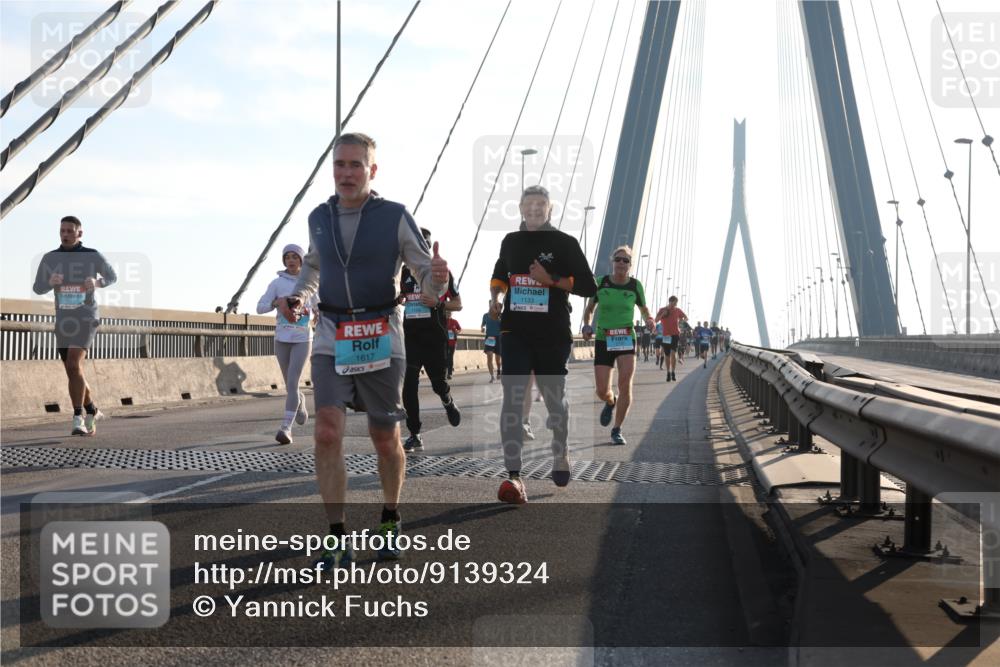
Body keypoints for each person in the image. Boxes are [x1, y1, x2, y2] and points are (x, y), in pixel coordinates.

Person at [280, 132, 450, 568]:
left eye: (356, 165)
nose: (346, 173)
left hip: (380, 330)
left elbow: (426, 284)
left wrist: (438, 279)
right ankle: (337, 536)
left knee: (383, 436)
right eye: (340, 164)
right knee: (326, 431)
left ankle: (390, 518)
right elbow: (315, 266)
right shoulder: (319, 216)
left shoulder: (394, 215)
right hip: (333, 330)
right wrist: (300, 296)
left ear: (372, 171)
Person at [490, 185, 596, 504]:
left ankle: (560, 450)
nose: (534, 209)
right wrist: (495, 298)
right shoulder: (511, 241)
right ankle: (514, 477)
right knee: (512, 398)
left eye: (541, 204)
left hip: (552, 334)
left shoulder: (564, 243)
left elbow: (589, 285)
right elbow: (499, 275)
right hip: (515, 332)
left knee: (554, 399)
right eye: (529, 204)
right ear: (521, 208)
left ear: (550, 209)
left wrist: (551, 281)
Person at [33, 216, 117, 436]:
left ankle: (77, 417)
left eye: (70, 230)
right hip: (64, 319)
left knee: (73, 362)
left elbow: (112, 276)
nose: (65, 234)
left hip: (87, 317)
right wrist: (49, 282)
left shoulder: (91, 255)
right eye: (62, 230)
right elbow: (37, 287)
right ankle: (92, 409)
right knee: (73, 370)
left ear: (80, 233)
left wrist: (97, 283)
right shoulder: (50, 258)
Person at [581, 246, 654, 445]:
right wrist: (587, 325)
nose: (621, 263)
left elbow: (644, 308)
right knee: (601, 390)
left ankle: (617, 429)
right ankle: (610, 400)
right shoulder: (600, 282)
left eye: (626, 261)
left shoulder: (635, 286)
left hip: (626, 338)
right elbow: (589, 309)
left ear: (630, 265)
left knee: (625, 383)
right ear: (612, 261)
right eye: (618, 259)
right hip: (604, 339)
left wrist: (649, 319)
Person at [399, 227, 462, 453]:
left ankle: (447, 401)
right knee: (409, 385)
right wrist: (397, 298)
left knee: (438, 384)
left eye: (422, 244)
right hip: (411, 337)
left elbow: (459, 303)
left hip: (435, 337)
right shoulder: (402, 273)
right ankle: (414, 433)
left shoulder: (440, 271)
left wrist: (438, 304)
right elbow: (397, 297)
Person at [257, 243, 316, 445]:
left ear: (302, 260)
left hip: (302, 339)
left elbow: (320, 307)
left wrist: (313, 314)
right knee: (290, 385)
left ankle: (286, 428)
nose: (291, 260)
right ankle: (299, 400)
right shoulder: (276, 283)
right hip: (281, 339)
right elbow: (260, 307)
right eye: (287, 257)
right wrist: (277, 302)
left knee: (292, 382)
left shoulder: (310, 283)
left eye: (295, 257)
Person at [655, 295, 688, 382]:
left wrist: (683, 320)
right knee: (667, 355)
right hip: (666, 335)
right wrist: (663, 314)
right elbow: (656, 320)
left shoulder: (677, 310)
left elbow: (685, 317)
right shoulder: (662, 309)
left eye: (676, 303)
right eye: (674, 303)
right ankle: (668, 372)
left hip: (675, 334)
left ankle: (673, 372)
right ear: (670, 302)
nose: (675, 305)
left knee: (673, 354)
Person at [481, 305, 502, 382]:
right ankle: (492, 376)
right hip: (489, 338)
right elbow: (482, 324)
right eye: (490, 305)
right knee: (489, 356)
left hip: (498, 338)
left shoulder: (500, 315)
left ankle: (499, 370)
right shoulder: (485, 315)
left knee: (498, 360)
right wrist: (482, 328)